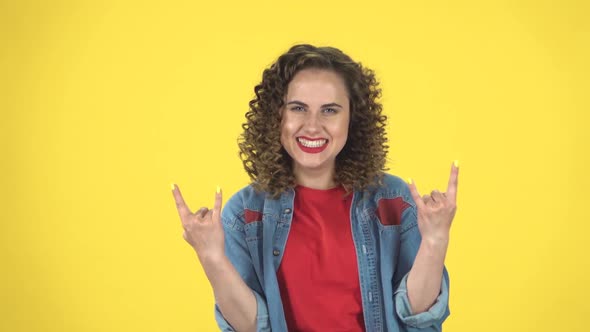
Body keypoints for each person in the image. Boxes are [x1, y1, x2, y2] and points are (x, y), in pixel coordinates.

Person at [171, 44, 459, 331]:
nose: (312, 126)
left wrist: (435, 240)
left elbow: (419, 318)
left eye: (330, 110)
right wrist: (211, 257)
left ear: (352, 119)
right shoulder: (246, 213)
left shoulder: (393, 201)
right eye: (298, 108)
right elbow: (251, 327)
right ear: (277, 116)